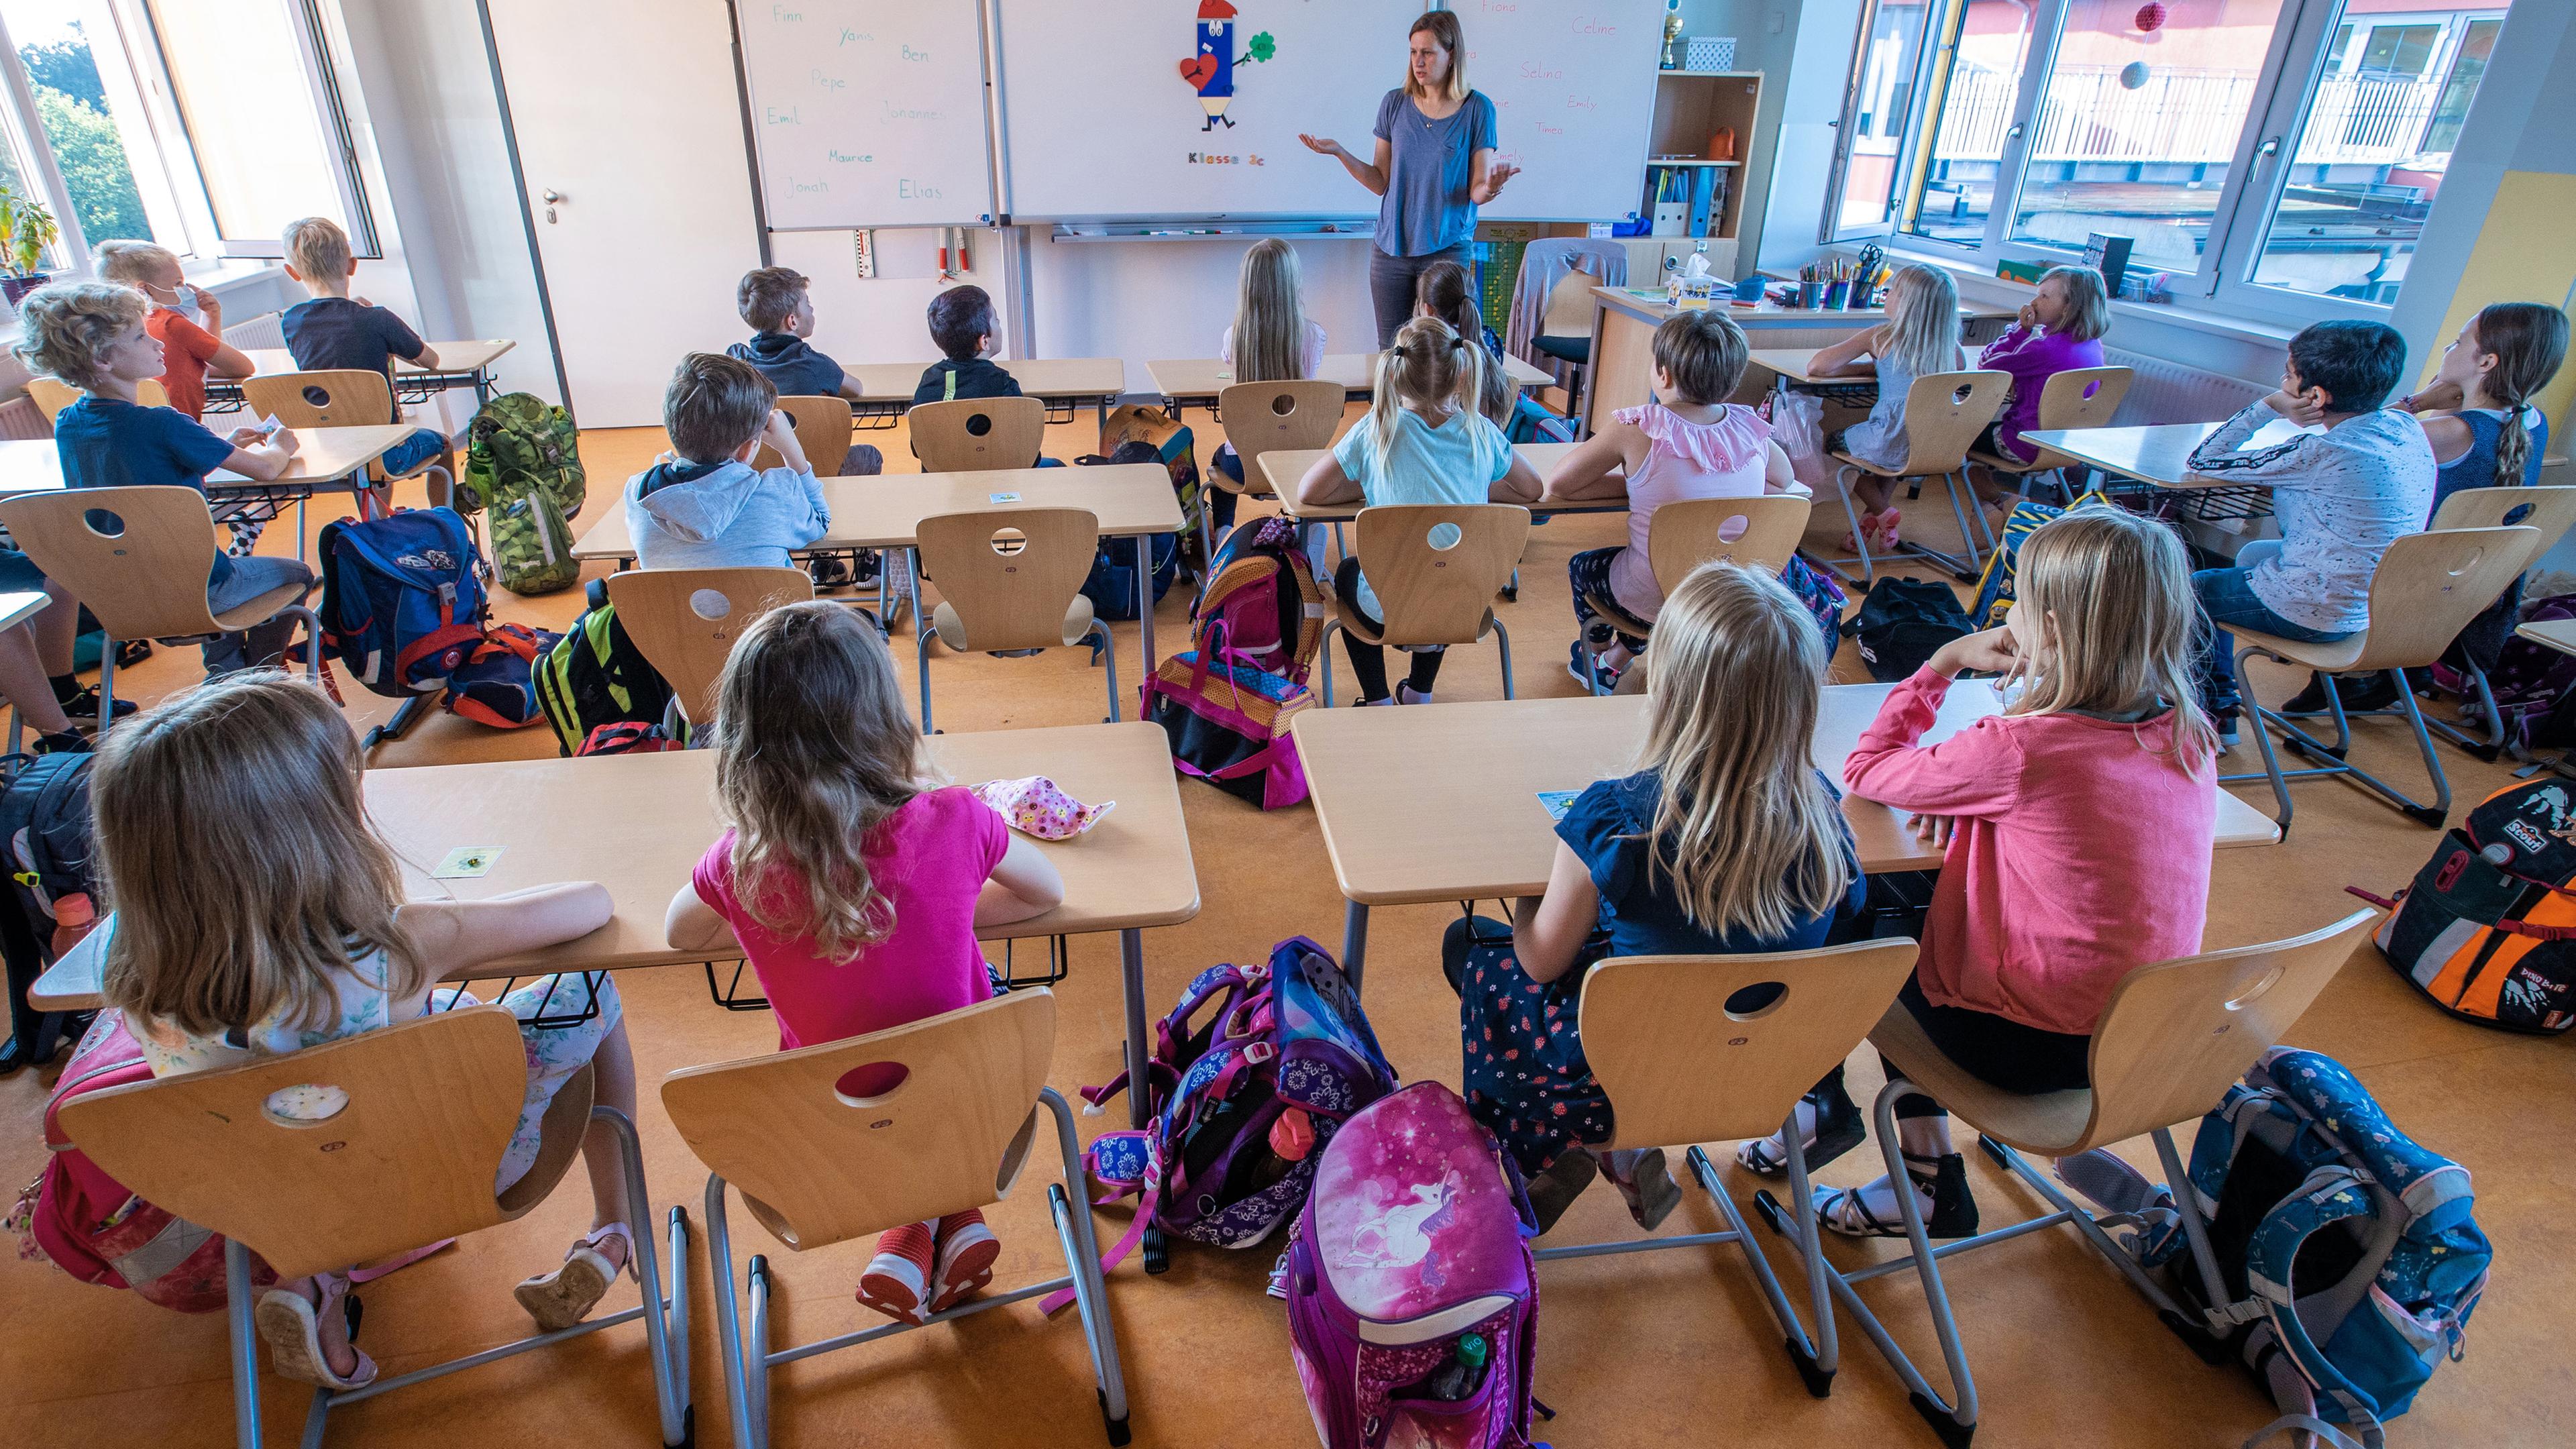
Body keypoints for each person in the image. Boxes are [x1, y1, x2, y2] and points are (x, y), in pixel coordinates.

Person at [95, 672, 638, 1389]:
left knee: (301, 1097)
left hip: (255, 1195)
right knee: (591, 992)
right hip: (450, 1170)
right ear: (314, 826)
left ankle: (313, 1283)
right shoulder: (396, 943)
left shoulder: (130, 962)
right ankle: (613, 1230)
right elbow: (589, 905)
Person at [1739, 510, 2218, 1238]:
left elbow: (1864, 771)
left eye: (2019, 601)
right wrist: (1978, 814)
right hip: (2135, 1045)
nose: (2006, 613)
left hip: (2024, 1048)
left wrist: (1944, 661)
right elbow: (2086, 838)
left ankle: (1854, 1131)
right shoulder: (2189, 732)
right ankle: (1869, 1140)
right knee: (1904, 895)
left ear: (2049, 629)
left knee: (1842, 901)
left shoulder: (2024, 748)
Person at [663, 601, 1065, 1323]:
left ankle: (909, 1235)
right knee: (939, 1063)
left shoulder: (738, 865)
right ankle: (954, 1217)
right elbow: (1044, 895)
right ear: (884, 716)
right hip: (979, 1109)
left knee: (879, 1089)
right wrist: (940, 911)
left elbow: (680, 935)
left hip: (826, 1138)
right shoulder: (958, 818)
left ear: (744, 739)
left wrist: (788, 919)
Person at [1444, 562, 1862, 1232]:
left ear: (1669, 690)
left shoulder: (1617, 818)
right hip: (1766, 1072)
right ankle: (1619, 1148)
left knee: (1474, 951)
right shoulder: (1827, 821)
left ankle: (1564, 1147)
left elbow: (1539, 963)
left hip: (1615, 1071)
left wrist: (1524, 893)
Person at [16, 282, 313, 678]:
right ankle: (262, 676)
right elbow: (264, 469)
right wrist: (281, 446)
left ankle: (227, 672)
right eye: (141, 336)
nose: (157, 343)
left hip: (124, 598)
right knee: (298, 573)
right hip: (204, 588)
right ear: (103, 358)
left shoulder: (68, 424)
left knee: (211, 567)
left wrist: (216, 445)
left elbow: (144, 479)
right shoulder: (163, 423)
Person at [2292, 302, 2569, 716]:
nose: (2448, 347)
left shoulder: (2448, 432)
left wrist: (2419, 400)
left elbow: (2358, 436)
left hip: (2409, 594)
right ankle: (2390, 674)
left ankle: (2356, 675)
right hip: (2477, 593)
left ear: (2487, 361)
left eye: (2458, 342)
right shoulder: (2532, 422)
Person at [1548, 309, 1836, 689]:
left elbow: (1561, 484)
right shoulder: (1749, 427)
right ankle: (1615, 659)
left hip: (1657, 595)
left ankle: (1598, 654)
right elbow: (1784, 481)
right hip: (1734, 591)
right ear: (1732, 383)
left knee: (1585, 568)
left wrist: (1640, 485)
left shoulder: (1637, 426)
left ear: (1662, 373)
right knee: (1663, 567)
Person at [2183, 320, 2434, 744]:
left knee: (2186, 590)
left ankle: (2212, 711)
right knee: (2251, 557)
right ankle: (2215, 691)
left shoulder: (2319, 450)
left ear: (2316, 396)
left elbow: (2204, 460)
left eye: (2288, 375)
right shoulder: (2404, 428)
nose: (2283, 383)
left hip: (2317, 609)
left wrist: (2269, 406)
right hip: (2374, 607)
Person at [1295, 315, 1540, 705]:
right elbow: (1533, 488)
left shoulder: (1376, 428)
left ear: (1392, 376)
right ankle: (1419, 693)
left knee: (1347, 572)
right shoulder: (1482, 432)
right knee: (1443, 561)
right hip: (1462, 603)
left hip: (1387, 609)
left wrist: (1369, 482)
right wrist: (1476, 486)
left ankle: (1376, 698)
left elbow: (1309, 490)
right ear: (1462, 376)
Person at [1298, 11, 1519, 347]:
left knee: (1444, 349)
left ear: (1451, 55)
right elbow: (1379, 181)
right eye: (1414, 52)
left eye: (1428, 52)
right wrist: (1340, 152)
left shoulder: (1478, 109)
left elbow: (1476, 191)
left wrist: (1491, 186)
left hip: (1447, 247)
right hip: (1391, 250)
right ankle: (1391, 403)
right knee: (1393, 351)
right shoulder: (1394, 104)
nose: (1419, 61)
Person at [278, 216, 450, 496]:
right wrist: (388, 339)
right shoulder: (376, 319)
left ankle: (379, 523)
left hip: (330, 450)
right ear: (352, 264)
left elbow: (332, 340)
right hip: (386, 451)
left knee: (365, 453)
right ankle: (446, 520)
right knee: (442, 443)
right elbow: (431, 361)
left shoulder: (292, 321)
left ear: (292, 272)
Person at [1805, 264, 1966, 554]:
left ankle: (1884, 511)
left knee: (1833, 444)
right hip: (1931, 445)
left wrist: (1871, 364)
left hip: (1889, 440)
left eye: (1891, 291)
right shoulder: (1953, 350)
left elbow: (1818, 366)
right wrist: (1876, 368)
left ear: (1906, 303)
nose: (1886, 294)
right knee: (1891, 454)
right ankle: (1869, 522)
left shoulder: (1882, 337)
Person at [623, 353, 828, 572]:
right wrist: (791, 448)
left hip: (670, 606)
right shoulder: (777, 493)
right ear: (746, 449)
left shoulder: (639, 493)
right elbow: (821, 521)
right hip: (769, 606)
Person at [1208, 237, 1328, 539]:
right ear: (1293, 284)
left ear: (1247, 288)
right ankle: (1306, 529)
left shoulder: (1234, 337)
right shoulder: (1315, 336)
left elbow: (1228, 360)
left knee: (1216, 458)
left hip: (1245, 466)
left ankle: (1224, 532)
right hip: (1299, 465)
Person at [1968, 264, 2110, 516]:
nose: (2034, 302)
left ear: (2069, 306)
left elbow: (1987, 363)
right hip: (2065, 446)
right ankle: (1997, 513)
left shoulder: (2045, 348)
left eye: (2044, 296)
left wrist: (2019, 331)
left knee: (1952, 437)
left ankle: (2006, 502)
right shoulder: (2092, 345)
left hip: (2023, 443)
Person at [725, 266, 885, 479]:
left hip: (753, 469)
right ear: (792, 321)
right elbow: (856, 389)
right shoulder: (813, 364)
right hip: (816, 468)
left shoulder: (734, 362)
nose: (812, 309)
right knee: (871, 455)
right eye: (808, 304)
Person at [93, 239, 256, 421]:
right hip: (180, 427)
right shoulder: (171, 325)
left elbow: (204, 363)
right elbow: (243, 367)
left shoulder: (113, 331)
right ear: (144, 290)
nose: (185, 290)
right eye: (178, 284)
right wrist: (213, 317)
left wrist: (212, 317)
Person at [1414, 259, 1510, 426]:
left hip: (1442, 447)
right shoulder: (1488, 340)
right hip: (1484, 444)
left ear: (1428, 310)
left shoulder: (1425, 349)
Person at [912, 285, 1020, 405]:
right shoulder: (1003, 385)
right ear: (984, 341)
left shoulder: (928, 381)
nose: (999, 323)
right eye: (996, 320)